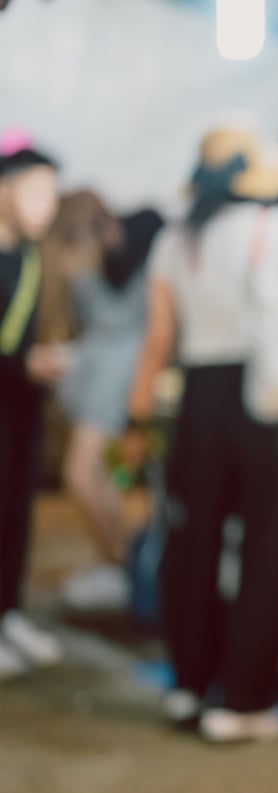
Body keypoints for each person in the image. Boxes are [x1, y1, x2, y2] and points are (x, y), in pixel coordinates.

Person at [124, 127, 278, 742]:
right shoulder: (276, 227)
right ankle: (244, 702)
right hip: (263, 400)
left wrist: (135, 415)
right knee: (265, 547)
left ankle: (188, 685)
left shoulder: (176, 241)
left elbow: (157, 340)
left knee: (192, 543)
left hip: (198, 400)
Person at [43, 191, 163, 611]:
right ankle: (113, 562)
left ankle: (116, 563)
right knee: (111, 480)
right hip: (102, 373)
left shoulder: (144, 253)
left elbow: (124, 320)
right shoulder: (109, 261)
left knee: (83, 473)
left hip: (116, 377)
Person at [0, 134, 66, 678]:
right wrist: (22, 364)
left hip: (20, 408)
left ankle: (9, 613)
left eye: (52, 196)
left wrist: (34, 362)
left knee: (16, 511)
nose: (47, 207)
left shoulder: (26, 255)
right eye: (36, 193)